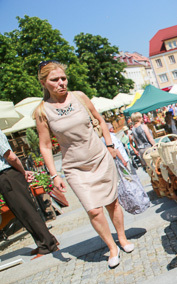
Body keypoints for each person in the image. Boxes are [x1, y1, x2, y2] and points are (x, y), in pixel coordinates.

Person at [34, 60, 134, 269]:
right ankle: (111, 247)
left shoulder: (79, 96)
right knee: (93, 210)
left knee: (112, 202)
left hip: (99, 157)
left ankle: (122, 239)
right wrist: (54, 175)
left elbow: (99, 119)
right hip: (75, 167)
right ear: (44, 83)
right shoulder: (42, 111)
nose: (61, 83)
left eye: (63, 78)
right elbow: (44, 146)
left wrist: (109, 146)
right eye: (55, 80)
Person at [0, 130, 59, 259]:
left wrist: (23, 171)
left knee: (26, 211)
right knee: (22, 212)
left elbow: (11, 156)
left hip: (8, 175)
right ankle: (48, 240)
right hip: (7, 176)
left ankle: (48, 245)